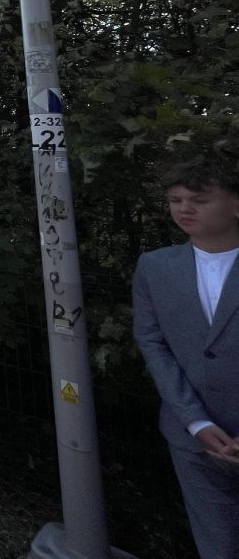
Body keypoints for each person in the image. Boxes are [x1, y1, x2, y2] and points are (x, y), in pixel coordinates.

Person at [133, 148, 239, 559]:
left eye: (199, 199)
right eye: (176, 200)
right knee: (217, 545)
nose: (184, 209)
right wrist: (195, 421)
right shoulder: (155, 267)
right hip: (193, 439)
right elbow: (153, 343)